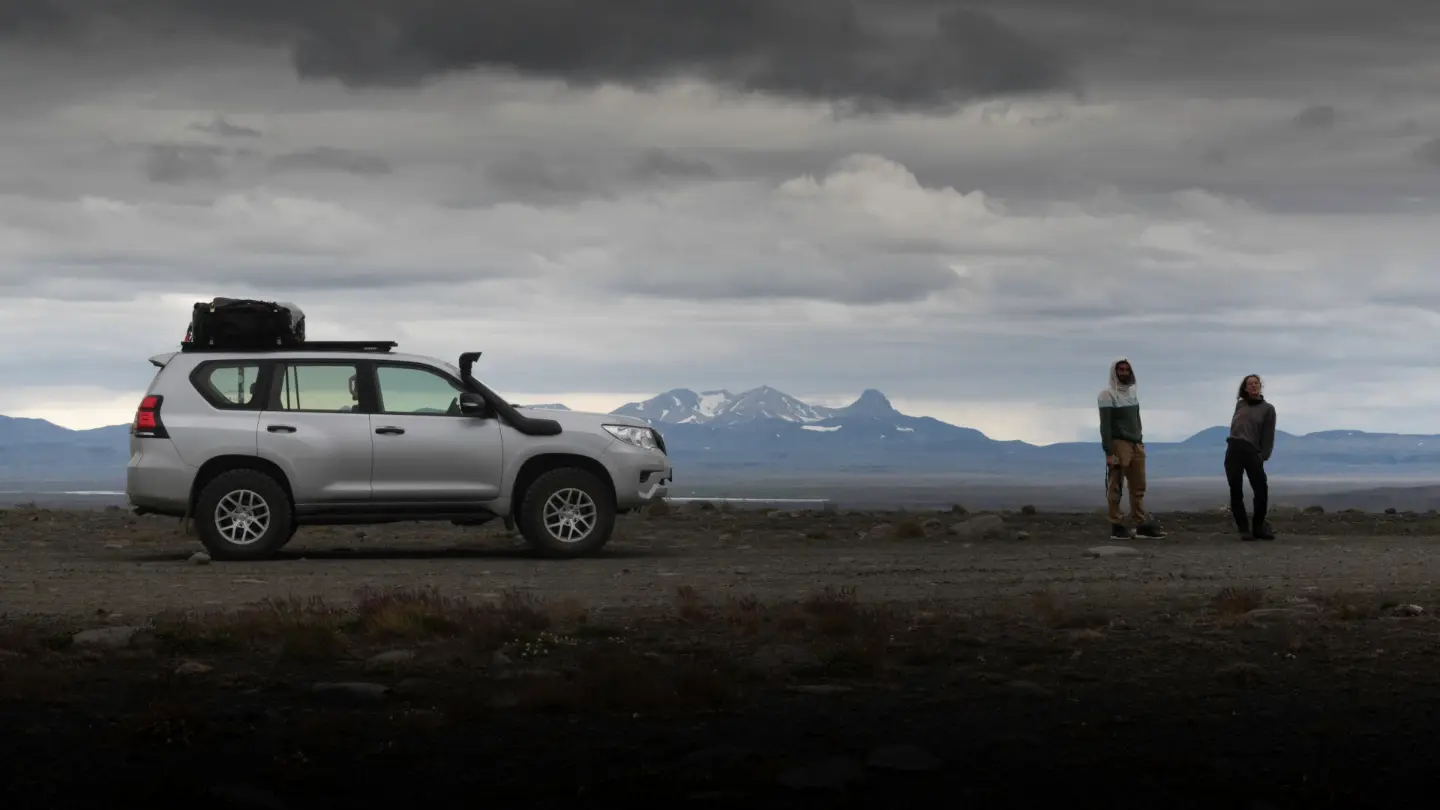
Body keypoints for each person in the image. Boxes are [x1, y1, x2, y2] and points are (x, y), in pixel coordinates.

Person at [1098, 358, 1167, 539]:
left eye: (1126, 370)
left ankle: (1140, 522)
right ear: (1114, 372)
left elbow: (1136, 419)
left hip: (1136, 442)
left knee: (1138, 486)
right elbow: (1105, 426)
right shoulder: (1107, 395)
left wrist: (1139, 438)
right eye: (1120, 369)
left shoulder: (1131, 393)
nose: (1124, 373)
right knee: (1117, 484)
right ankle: (1117, 524)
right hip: (1119, 442)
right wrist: (1109, 451)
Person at [1225, 374, 1277, 541]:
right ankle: (1243, 529)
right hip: (1234, 448)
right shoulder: (1240, 405)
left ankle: (1258, 526)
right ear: (1245, 388)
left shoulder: (1268, 409)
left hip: (1251, 451)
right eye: (1250, 384)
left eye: (1256, 383)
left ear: (1260, 386)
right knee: (1236, 490)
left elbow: (1268, 434)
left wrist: (1263, 455)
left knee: (1261, 489)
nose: (1254, 386)